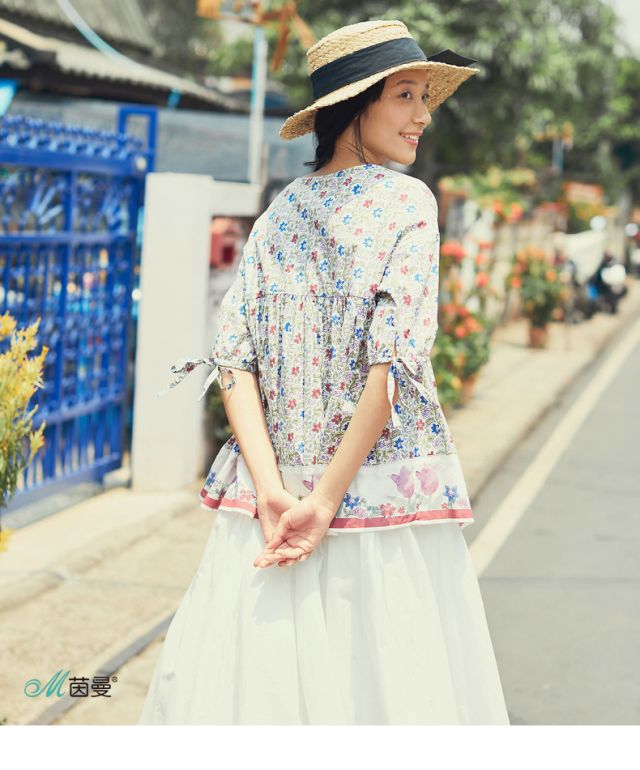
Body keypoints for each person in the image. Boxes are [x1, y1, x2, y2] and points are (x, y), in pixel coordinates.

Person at [138, 19, 510, 725]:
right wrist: (326, 501)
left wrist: (273, 493)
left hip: (271, 502)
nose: (424, 116)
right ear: (355, 105)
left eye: (424, 97)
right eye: (406, 95)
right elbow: (392, 368)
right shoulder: (408, 202)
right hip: (374, 495)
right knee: (386, 694)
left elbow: (233, 362)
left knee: (257, 699)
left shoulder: (277, 214)